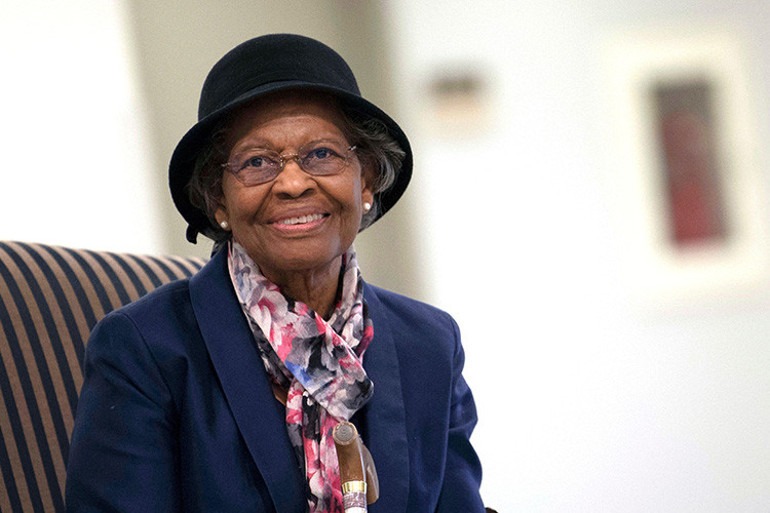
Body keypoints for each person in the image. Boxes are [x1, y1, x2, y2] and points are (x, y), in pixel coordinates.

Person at [66, 33, 487, 513]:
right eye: (257, 162)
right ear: (218, 199)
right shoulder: (145, 350)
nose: (292, 183)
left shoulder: (430, 344)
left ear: (366, 180)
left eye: (321, 154)